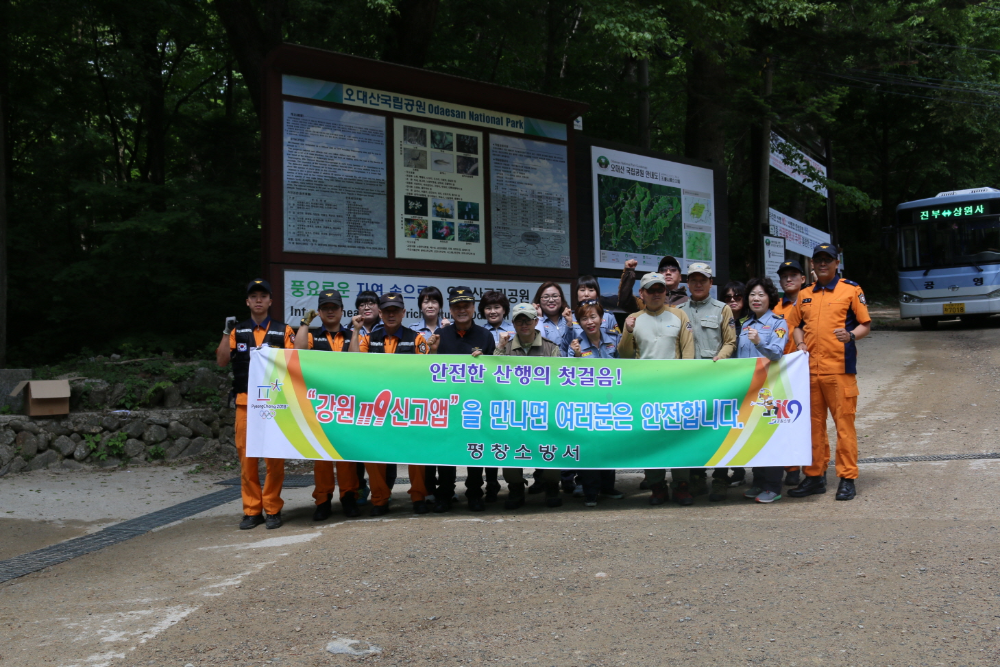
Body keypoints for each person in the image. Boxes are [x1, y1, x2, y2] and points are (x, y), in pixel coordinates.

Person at [787, 244, 871, 502]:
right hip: (811, 371)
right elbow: (796, 325)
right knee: (812, 426)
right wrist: (800, 343)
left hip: (840, 369)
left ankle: (847, 478)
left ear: (837, 263)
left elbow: (865, 324)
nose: (823, 263)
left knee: (844, 424)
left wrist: (850, 335)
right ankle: (815, 476)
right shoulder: (805, 294)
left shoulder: (851, 290)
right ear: (812, 264)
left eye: (828, 259)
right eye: (818, 260)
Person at [215, 279, 294, 530]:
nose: (258, 300)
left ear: (271, 301)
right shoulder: (237, 331)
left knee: (274, 459)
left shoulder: (284, 331)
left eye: (263, 296)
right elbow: (221, 361)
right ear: (247, 302)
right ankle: (252, 510)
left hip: (275, 404)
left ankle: (272, 508)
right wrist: (226, 331)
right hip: (245, 403)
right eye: (253, 296)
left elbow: (295, 363)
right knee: (247, 460)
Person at [350, 292, 431, 515]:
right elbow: (353, 362)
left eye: (396, 310)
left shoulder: (417, 339)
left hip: (407, 407)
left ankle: (418, 496)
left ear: (404, 313)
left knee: (415, 454)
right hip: (377, 408)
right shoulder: (369, 337)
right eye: (387, 311)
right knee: (374, 455)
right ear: (381, 313)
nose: (391, 314)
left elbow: (426, 372)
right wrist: (356, 331)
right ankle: (379, 499)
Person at [618, 272, 695, 505]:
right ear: (642, 293)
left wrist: (686, 384)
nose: (656, 294)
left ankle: (682, 484)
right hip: (647, 390)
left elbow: (688, 352)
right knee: (652, 439)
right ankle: (656, 485)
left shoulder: (679, 315)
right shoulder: (633, 318)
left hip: (675, 389)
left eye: (659, 289)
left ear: (666, 291)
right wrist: (628, 331)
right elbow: (624, 354)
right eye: (650, 290)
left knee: (679, 438)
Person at [428, 286, 498, 512]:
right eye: (456, 306)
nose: (461, 310)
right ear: (449, 308)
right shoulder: (440, 335)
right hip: (447, 404)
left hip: (474, 404)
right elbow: (430, 372)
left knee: (474, 450)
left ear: (473, 308)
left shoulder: (485, 336)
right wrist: (433, 352)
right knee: (446, 451)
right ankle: (445, 493)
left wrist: (485, 360)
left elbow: (494, 372)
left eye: (466, 305)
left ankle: (475, 492)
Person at [293, 289, 361, 520]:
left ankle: (349, 498)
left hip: (345, 403)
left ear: (342, 310)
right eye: (326, 308)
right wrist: (304, 323)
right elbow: (298, 352)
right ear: (319, 312)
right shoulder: (312, 335)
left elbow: (356, 360)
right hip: (319, 404)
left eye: (335, 307)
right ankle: (322, 500)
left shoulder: (351, 333)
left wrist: (356, 332)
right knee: (321, 456)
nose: (330, 311)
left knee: (346, 455)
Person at [678, 262, 738, 503]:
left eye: (703, 279)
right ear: (688, 283)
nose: (698, 283)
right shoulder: (679, 310)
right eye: (694, 279)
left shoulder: (722, 309)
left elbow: (730, 342)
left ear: (711, 282)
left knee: (718, 430)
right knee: (692, 430)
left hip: (715, 380)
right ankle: (697, 478)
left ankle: (721, 479)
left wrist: (717, 360)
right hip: (689, 382)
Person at [494, 303, 563, 510]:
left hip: (543, 411)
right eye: (519, 320)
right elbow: (492, 376)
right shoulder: (504, 348)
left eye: (528, 320)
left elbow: (558, 380)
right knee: (510, 451)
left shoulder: (551, 348)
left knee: (549, 448)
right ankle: (515, 488)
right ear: (513, 323)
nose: (524, 324)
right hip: (513, 412)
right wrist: (498, 349)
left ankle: (551, 486)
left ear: (536, 321)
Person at [736, 277, 790, 503]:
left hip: (769, 390)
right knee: (751, 436)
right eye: (752, 295)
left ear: (770, 298)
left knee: (770, 437)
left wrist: (759, 341)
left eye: (761, 295)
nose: (756, 299)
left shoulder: (779, 323)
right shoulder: (744, 324)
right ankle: (758, 482)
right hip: (748, 390)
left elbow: (777, 353)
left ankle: (773, 486)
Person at [568, 299, 624, 507]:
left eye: (593, 316)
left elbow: (625, 368)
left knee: (609, 446)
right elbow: (568, 376)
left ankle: (608, 487)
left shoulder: (615, 339)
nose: (589, 322)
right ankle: (590, 492)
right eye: (584, 318)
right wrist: (575, 356)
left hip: (611, 403)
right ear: (578, 322)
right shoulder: (575, 344)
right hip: (587, 404)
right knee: (590, 447)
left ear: (602, 318)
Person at [773, 260, 808, 487]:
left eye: (794, 275)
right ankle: (791, 467)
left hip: (810, 370)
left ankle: (815, 468)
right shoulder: (776, 308)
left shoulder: (814, 301)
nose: (788, 279)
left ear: (803, 279)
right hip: (784, 372)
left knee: (811, 422)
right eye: (784, 275)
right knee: (785, 420)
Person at [350, 289, 384, 503]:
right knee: (357, 448)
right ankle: (359, 488)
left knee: (380, 449)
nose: (366, 307)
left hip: (383, 398)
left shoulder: (388, 329)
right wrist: (356, 330)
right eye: (362, 304)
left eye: (371, 303)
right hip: (356, 398)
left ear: (379, 309)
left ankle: (383, 492)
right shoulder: (349, 330)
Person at [720, 280, 749, 488]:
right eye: (728, 297)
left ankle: (747, 471)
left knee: (747, 425)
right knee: (728, 426)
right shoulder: (720, 319)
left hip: (749, 381)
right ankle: (730, 471)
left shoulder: (752, 320)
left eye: (737, 296)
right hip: (726, 380)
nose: (732, 300)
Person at [617, 256, 689, 312]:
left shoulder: (689, 303)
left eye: (673, 270)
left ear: (680, 277)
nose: (668, 273)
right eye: (663, 270)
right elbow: (625, 302)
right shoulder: (647, 301)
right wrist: (629, 272)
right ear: (658, 275)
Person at [531, 282, 570, 356]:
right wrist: (539, 317)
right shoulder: (533, 321)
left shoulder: (570, 318)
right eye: (546, 297)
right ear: (539, 300)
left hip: (571, 366)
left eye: (555, 296)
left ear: (561, 298)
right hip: (548, 366)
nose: (551, 300)